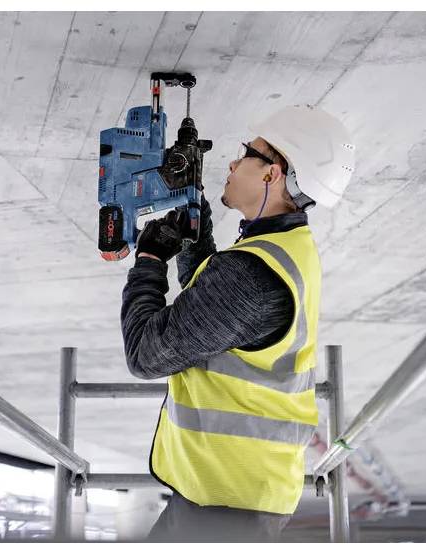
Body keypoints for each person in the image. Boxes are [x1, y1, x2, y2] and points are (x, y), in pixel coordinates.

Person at [120, 105, 355, 542]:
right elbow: (211, 306)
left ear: (273, 174)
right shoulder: (284, 245)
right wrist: (194, 216)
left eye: (249, 152)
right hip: (235, 496)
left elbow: (146, 354)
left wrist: (149, 262)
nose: (233, 161)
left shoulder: (254, 275)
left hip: (224, 511)